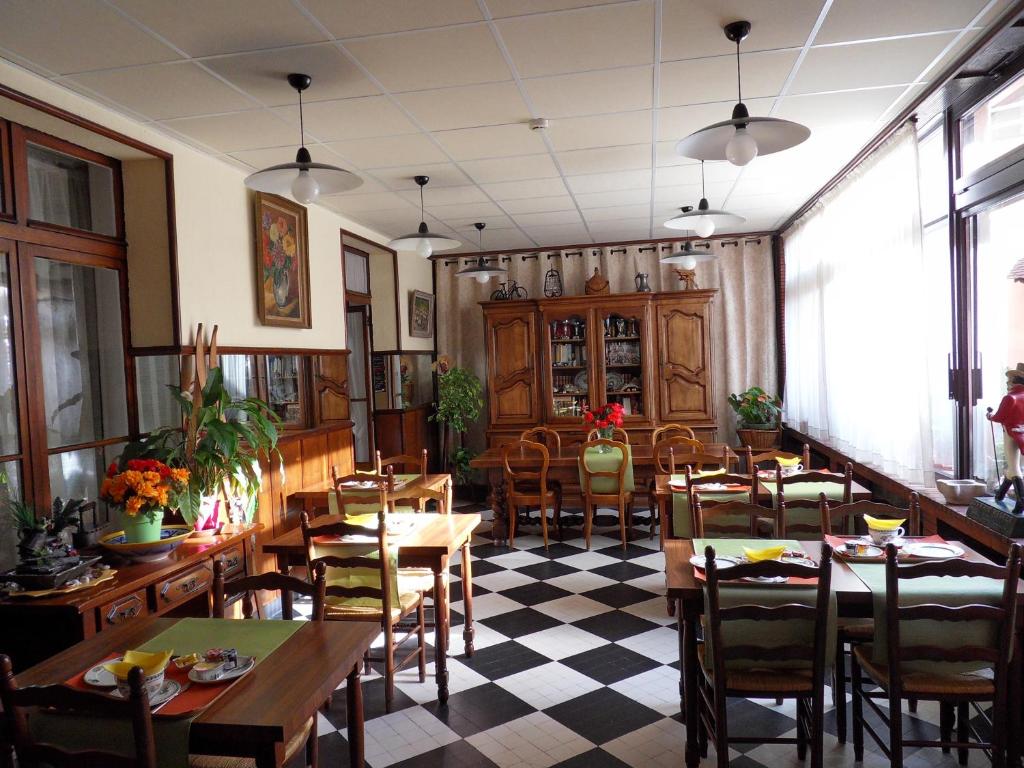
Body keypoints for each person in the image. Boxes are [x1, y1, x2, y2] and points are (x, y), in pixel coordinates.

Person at [988, 363, 1024, 514]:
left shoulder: (1010, 398)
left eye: (1009, 382)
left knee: (1014, 468)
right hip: (1022, 434)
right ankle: (1000, 494)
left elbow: (999, 416)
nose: (1008, 384)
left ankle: (1021, 500)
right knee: (1013, 467)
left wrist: (990, 416)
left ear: (1015, 382)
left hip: (1010, 434)